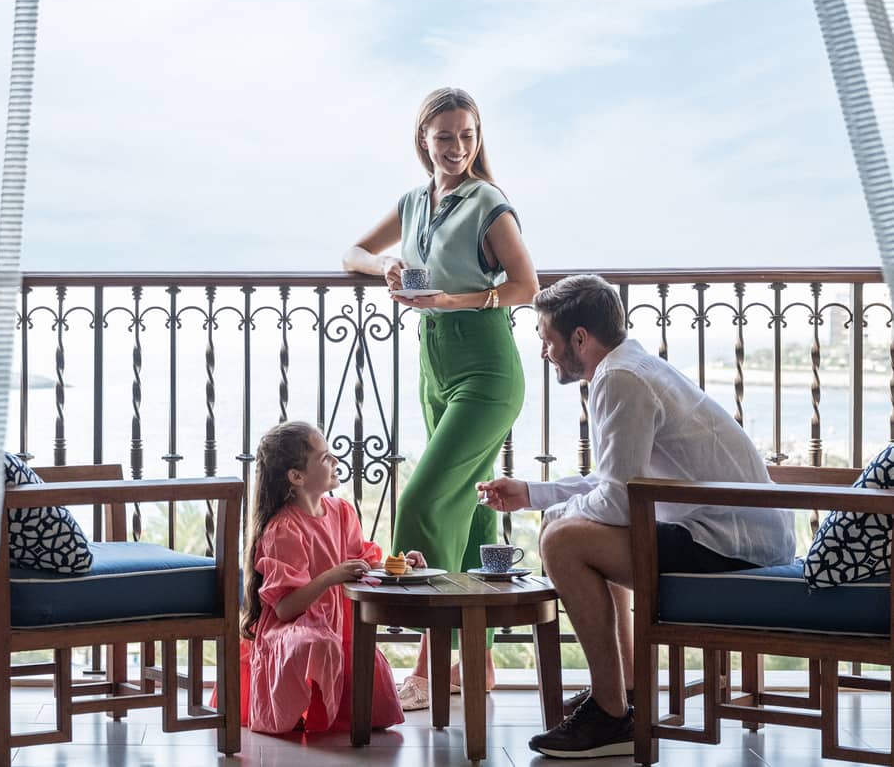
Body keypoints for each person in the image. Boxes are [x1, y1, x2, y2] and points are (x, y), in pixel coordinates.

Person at [477, 274, 795, 759]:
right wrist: (534, 494)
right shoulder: (630, 366)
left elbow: (619, 502)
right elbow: (618, 484)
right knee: (574, 528)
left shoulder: (620, 379)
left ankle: (611, 715)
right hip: (736, 533)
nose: (544, 352)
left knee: (564, 541)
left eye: (547, 339)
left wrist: (558, 515)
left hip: (732, 546)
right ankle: (625, 692)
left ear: (579, 338)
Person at [342, 87, 539, 709]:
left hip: (486, 367)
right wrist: (386, 267)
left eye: (467, 135)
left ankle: (428, 667)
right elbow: (351, 252)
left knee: (424, 500)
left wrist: (458, 299)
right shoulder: (413, 202)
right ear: (423, 139)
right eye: (445, 136)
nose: (457, 147)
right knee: (469, 510)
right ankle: (474, 664)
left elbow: (527, 285)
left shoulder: (488, 203)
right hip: (435, 365)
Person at [239, 420, 418, 734]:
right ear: (296, 477)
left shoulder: (342, 512)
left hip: (337, 624)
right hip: (292, 628)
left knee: (377, 713)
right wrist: (329, 577)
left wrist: (401, 565)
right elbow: (285, 609)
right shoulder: (284, 529)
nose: (335, 460)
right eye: (324, 457)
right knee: (317, 643)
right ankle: (298, 708)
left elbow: (362, 563)